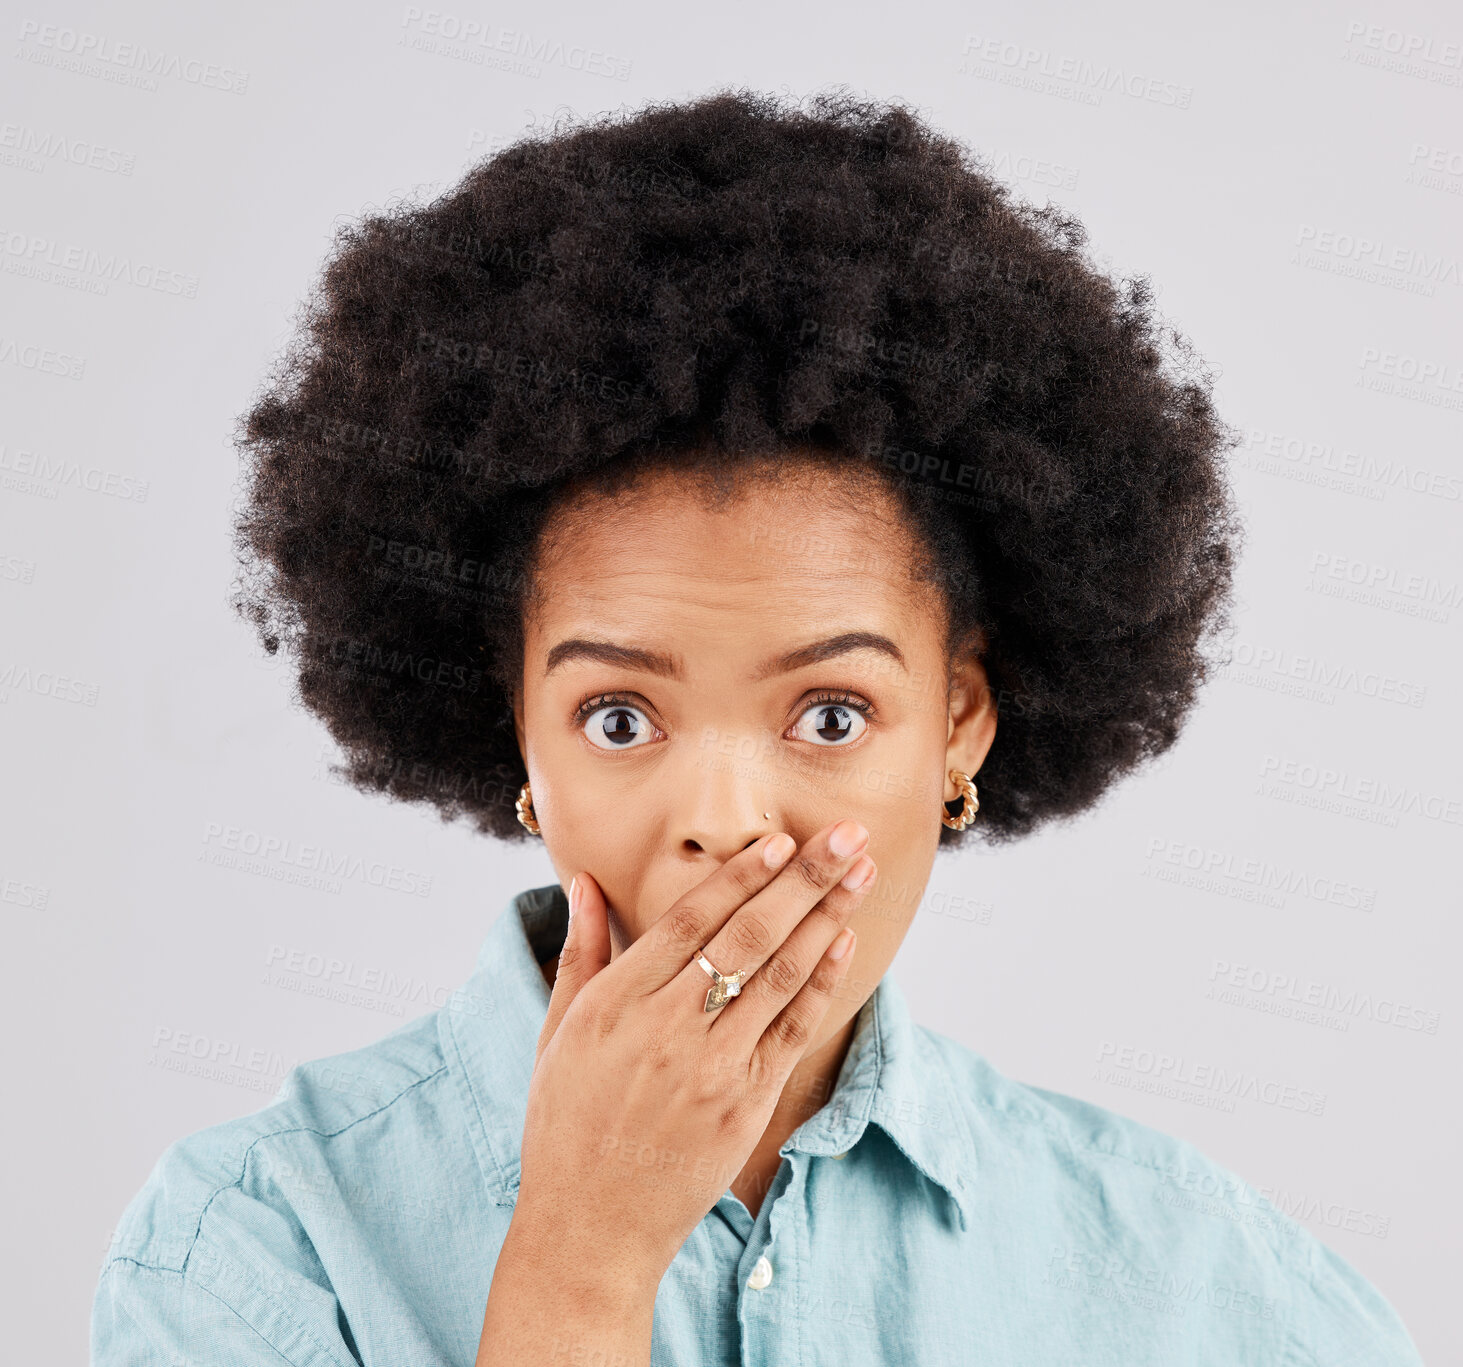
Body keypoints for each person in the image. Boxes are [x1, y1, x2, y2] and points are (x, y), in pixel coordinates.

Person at [92, 89, 1423, 1365]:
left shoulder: (1204, 1290)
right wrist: (581, 1259)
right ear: (518, 741)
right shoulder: (258, 1248)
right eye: (618, 716)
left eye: (832, 712)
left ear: (958, 727)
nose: (724, 819)